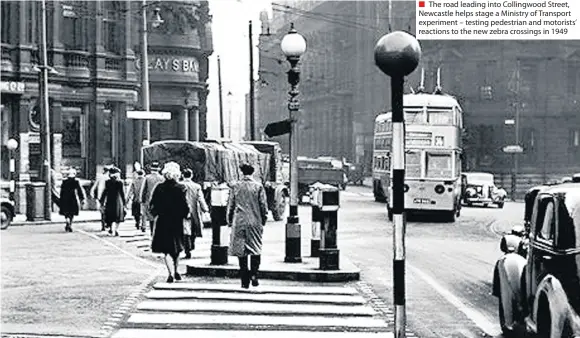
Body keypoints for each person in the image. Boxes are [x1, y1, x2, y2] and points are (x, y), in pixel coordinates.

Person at [227, 163, 268, 289]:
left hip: (239, 221)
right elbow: (263, 206)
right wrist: (263, 220)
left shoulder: (236, 186)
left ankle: (244, 279)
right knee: (255, 248)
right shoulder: (258, 186)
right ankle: (254, 274)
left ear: (242, 172)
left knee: (241, 251)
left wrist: (229, 220)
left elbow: (231, 205)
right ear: (252, 173)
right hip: (255, 220)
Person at [149, 162, 189, 283]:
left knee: (166, 249)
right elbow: (185, 206)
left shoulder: (159, 187)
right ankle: (176, 271)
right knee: (176, 248)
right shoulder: (181, 188)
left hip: (163, 220)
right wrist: (185, 215)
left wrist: (155, 213)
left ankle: (170, 273)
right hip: (176, 221)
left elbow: (153, 204)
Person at [180, 168, 209, 259]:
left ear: (182, 175)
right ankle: (191, 245)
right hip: (194, 210)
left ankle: (187, 249)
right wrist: (205, 209)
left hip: (182, 211)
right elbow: (200, 199)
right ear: (191, 175)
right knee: (193, 230)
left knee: (185, 230)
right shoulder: (196, 186)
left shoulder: (179, 185)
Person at [99, 167, 126, 236]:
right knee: (118, 216)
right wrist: (124, 202)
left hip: (110, 200)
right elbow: (122, 193)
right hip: (118, 200)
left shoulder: (107, 182)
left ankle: (111, 228)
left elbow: (105, 192)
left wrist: (102, 200)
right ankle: (116, 229)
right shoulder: (120, 182)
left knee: (110, 216)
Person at [59, 168, 86, 232]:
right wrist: (82, 198)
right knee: (72, 212)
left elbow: (61, 191)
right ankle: (70, 223)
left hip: (65, 198)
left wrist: (61, 198)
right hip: (73, 198)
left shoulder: (64, 181)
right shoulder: (76, 181)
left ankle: (67, 220)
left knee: (66, 211)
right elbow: (79, 191)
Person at [140, 162, 164, 235]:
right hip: (160, 200)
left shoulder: (147, 177)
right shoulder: (162, 178)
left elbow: (143, 189)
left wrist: (142, 199)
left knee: (151, 216)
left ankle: (151, 231)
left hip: (148, 199)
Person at [90, 166, 111, 231]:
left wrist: (92, 194)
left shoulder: (100, 177)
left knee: (102, 211)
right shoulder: (109, 178)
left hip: (100, 196)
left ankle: (103, 225)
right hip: (108, 197)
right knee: (108, 211)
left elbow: (94, 187)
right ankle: (107, 224)